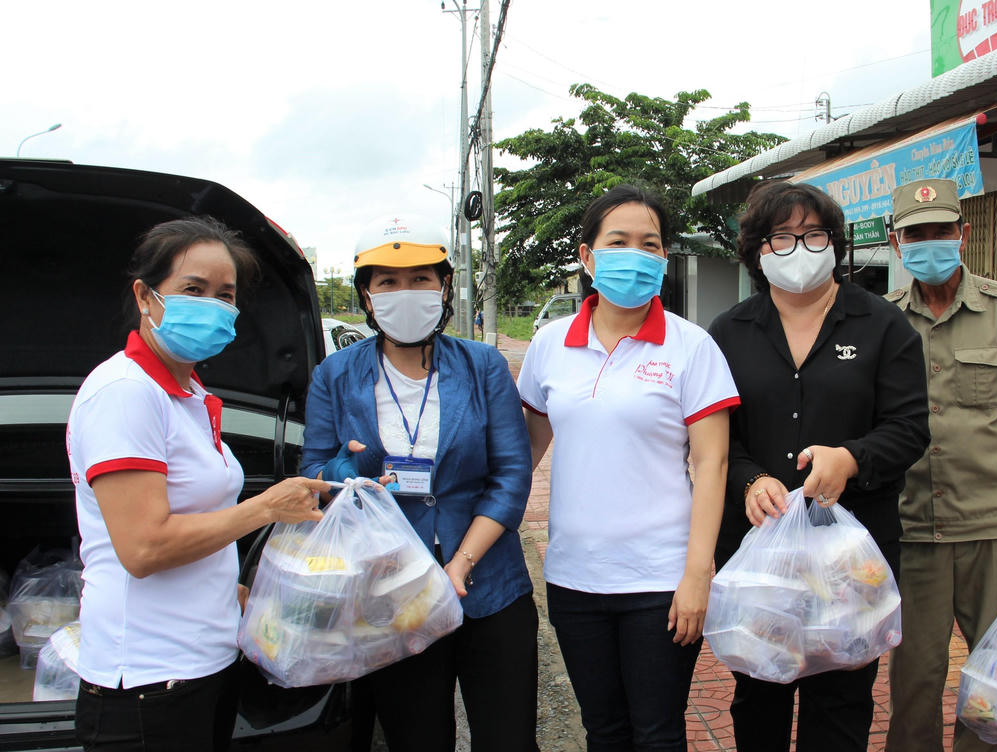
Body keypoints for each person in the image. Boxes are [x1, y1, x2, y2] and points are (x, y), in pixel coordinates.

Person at [66, 217, 328, 751]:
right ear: (145, 296)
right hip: (148, 680)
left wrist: (227, 590)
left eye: (224, 295)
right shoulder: (125, 393)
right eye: (193, 289)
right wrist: (265, 509)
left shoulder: (187, 393)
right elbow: (145, 548)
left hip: (205, 662)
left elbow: (196, 521)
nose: (211, 305)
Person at [300, 214, 538, 752]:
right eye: (388, 282)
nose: (404, 292)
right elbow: (313, 470)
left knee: (509, 738)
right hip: (390, 591)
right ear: (366, 296)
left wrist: (462, 562)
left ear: (444, 286)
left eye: (420, 279)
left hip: (489, 584)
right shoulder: (335, 374)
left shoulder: (483, 365)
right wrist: (344, 474)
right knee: (416, 737)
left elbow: (511, 474)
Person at [708, 181, 931, 752]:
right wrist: (750, 479)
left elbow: (910, 428)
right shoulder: (728, 333)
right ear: (758, 250)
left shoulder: (883, 325)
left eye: (813, 234)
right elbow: (714, 441)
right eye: (781, 237)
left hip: (851, 558)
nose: (799, 248)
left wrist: (852, 458)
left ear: (835, 242)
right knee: (759, 697)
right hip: (758, 552)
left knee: (842, 703)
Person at [517, 184, 738, 752]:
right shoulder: (549, 346)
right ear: (587, 257)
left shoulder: (691, 347)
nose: (635, 255)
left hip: (661, 579)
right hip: (573, 577)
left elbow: (711, 463)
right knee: (604, 730)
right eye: (618, 242)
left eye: (650, 244)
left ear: (664, 258)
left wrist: (698, 574)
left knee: (658, 733)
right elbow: (526, 449)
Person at [881, 178, 997, 752]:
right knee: (915, 677)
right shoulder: (883, 320)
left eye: (941, 231)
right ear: (895, 243)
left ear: (964, 233)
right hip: (914, 527)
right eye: (916, 235)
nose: (929, 243)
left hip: (996, 526)